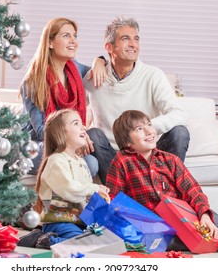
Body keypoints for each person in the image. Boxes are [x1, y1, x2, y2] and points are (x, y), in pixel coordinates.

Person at [105, 109, 218, 258]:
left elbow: (192, 190)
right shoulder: (122, 161)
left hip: (186, 216)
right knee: (161, 241)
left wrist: (204, 215)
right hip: (154, 226)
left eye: (149, 124)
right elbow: (114, 200)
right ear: (128, 142)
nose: (149, 131)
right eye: (139, 129)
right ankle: (211, 242)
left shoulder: (170, 160)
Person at [84, 16, 189, 184]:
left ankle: (164, 192)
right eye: (126, 39)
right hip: (114, 157)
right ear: (109, 47)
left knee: (180, 132)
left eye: (136, 39)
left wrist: (144, 130)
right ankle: (124, 193)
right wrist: (98, 61)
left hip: (148, 153)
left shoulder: (153, 75)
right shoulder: (94, 78)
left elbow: (180, 115)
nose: (133, 44)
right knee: (93, 134)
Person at [20, 17, 106, 176]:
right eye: (66, 35)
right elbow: (41, 130)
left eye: (75, 36)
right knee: (89, 164)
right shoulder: (33, 80)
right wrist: (75, 137)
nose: (73, 41)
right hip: (35, 146)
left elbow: (97, 70)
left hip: (66, 142)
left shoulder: (76, 69)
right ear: (50, 43)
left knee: (92, 158)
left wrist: (99, 60)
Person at [17, 109, 110, 249]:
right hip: (59, 221)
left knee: (103, 241)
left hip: (78, 222)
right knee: (84, 245)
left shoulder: (81, 162)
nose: (83, 126)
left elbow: (83, 197)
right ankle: (42, 240)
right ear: (61, 133)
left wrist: (98, 202)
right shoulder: (56, 161)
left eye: (82, 123)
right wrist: (95, 188)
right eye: (75, 123)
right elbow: (70, 189)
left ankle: (67, 239)